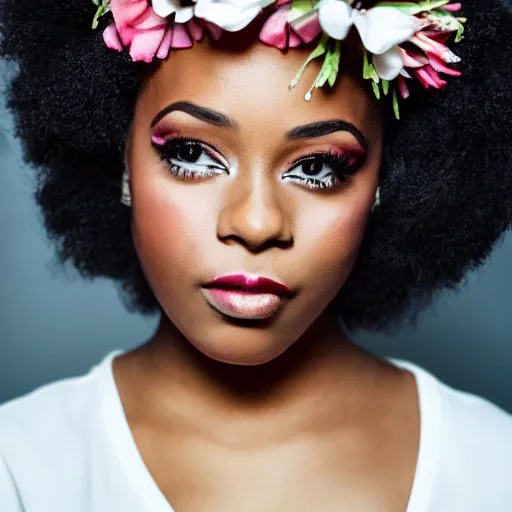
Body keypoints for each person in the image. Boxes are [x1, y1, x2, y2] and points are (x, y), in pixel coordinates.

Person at [1, 0, 511, 510]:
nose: (256, 224)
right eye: (191, 153)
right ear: (121, 161)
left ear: (386, 182)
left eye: (318, 167)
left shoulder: (492, 465)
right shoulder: (20, 468)